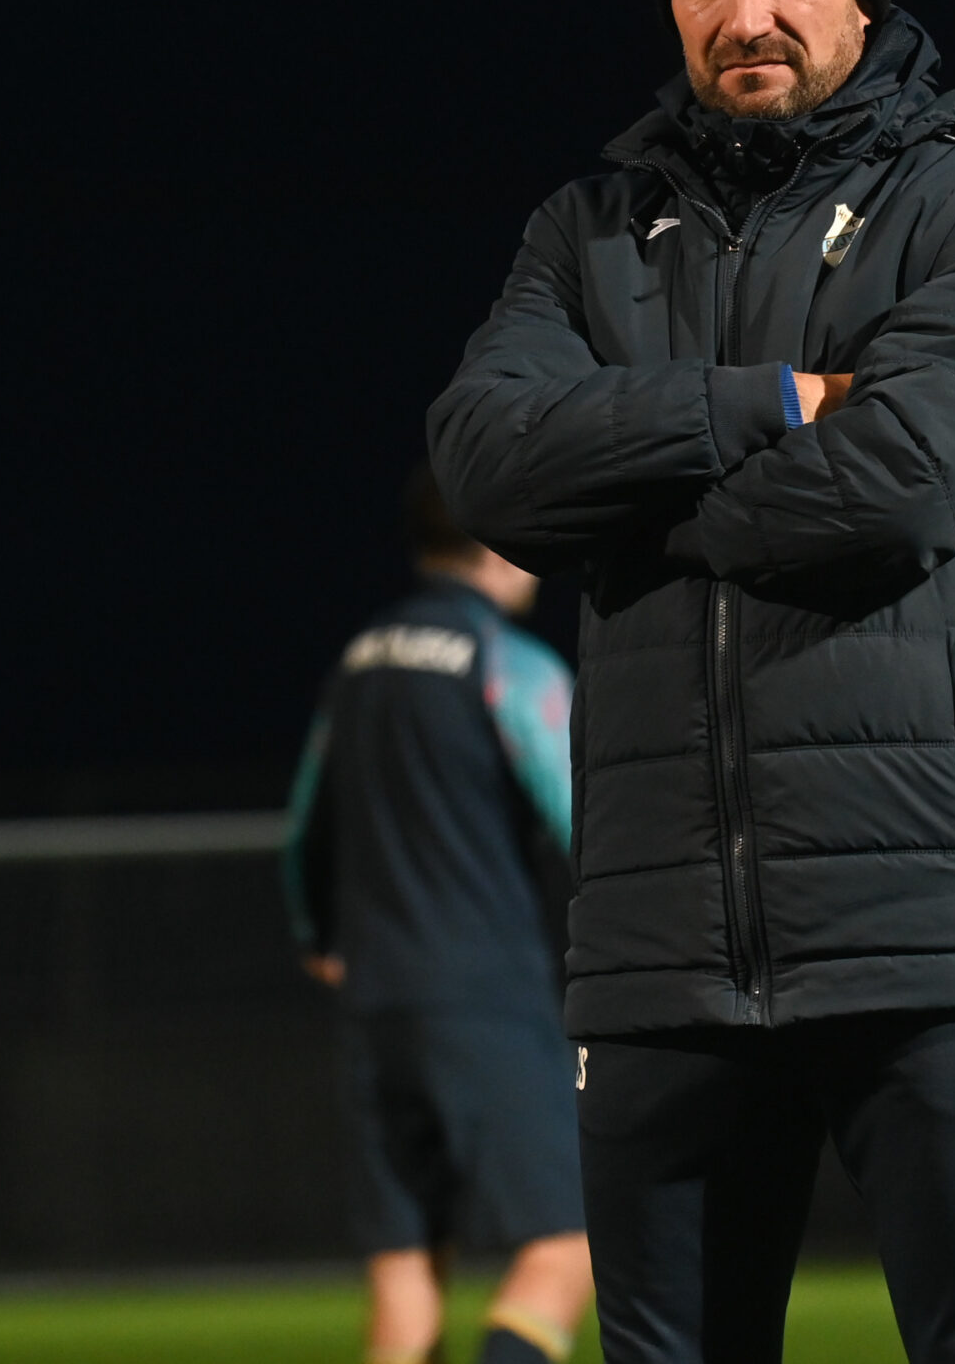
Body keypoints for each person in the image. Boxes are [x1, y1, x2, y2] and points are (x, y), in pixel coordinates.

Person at [427, 0, 955, 1364]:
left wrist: (637, 501)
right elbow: (487, 466)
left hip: (932, 931)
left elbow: (908, 481)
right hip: (657, 952)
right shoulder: (588, 230)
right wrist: (769, 401)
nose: (745, 14)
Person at [283, 469, 594, 1364]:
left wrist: (316, 935)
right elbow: (588, 818)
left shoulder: (358, 662)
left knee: (406, 1269)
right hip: (485, 994)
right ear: (495, 541)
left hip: (375, 998)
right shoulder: (505, 662)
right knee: (571, 1244)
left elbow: (305, 825)